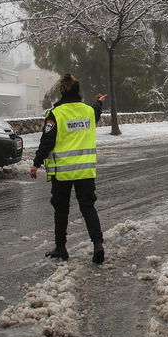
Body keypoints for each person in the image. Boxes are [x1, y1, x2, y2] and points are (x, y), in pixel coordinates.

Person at [30, 74, 106, 263]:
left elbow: (47, 142)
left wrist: (36, 163)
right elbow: (96, 111)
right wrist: (99, 102)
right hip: (85, 171)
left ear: (61, 91)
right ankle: (98, 244)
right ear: (77, 90)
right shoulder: (88, 111)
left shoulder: (55, 114)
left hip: (62, 172)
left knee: (61, 209)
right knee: (88, 207)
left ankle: (61, 247)